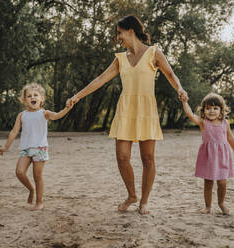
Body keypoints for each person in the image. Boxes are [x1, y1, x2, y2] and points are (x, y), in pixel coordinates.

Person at [66, 15, 188, 214]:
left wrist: (180, 89)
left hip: (146, 110)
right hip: (125, 110)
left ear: (131, 31)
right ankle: (132, 195)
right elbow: (100, 79)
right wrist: (77, 96)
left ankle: (144, 201)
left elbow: (170, 74)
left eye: (119, 33)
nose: (117, 37)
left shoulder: (154, 53)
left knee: (148, 159)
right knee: (122, 157)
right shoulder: (120, 58)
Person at [0, 83, 72, 211]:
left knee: (37, 176)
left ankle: (39, 202)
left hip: (40, 149)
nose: (33, 97)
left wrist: (67, 108)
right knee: (19, 172)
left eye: (36, 95)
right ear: (24, 100)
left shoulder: (45, 113)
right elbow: (14, 132)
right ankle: (31, 189)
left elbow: (57, 115)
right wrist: (5, 147)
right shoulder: (22, 115)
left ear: (41, 98)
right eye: (29, 96)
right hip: (26, 149)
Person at [181, 92, 234, 215]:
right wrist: (185, 102)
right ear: (203, 110)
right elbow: (190, 115)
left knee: (222, 182)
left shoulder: (225, 123)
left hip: (222, 156)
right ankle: (207, 206)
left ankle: (221, 204)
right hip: (208, 156)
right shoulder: (203, 122)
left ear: (221, 110)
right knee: (208, 182)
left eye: (215, 108)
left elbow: (230, 137)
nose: (211, 111)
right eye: (208, 108)